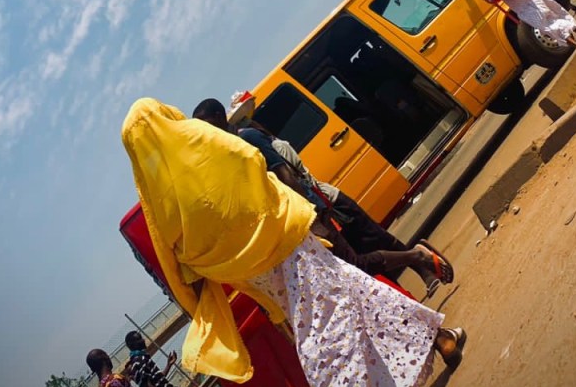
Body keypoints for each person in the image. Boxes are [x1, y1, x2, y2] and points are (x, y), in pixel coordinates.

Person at [122, 98, 467, 387]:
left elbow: (182, 266)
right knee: (350, 308)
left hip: (263, 280)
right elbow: (250, 160)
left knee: (333, 330)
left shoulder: (158, 200)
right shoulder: (201, 138)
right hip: (289, 242)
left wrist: (217, 276)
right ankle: (430, 348)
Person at [191, 97, 453, 296]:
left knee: (371, 244)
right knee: (361, 259)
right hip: (317, 206)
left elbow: (286, 175)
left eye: (206, 125)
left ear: (220, 117)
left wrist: (311, 214)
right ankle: (411, 284)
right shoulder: (238, 147)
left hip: (324, 203)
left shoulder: (248, 139)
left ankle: (420, 261)